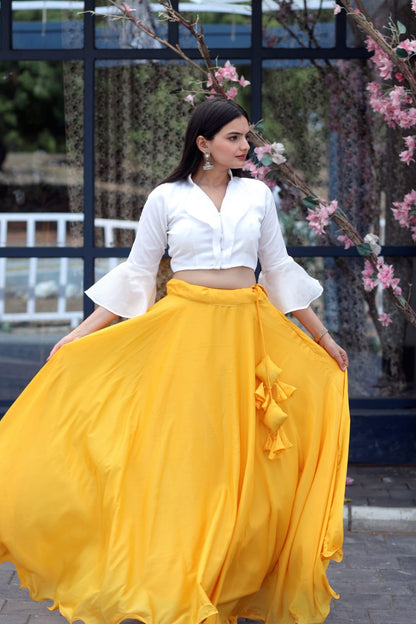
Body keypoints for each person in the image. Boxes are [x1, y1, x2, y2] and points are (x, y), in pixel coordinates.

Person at [0, 98, 350, 624]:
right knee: (189, 462)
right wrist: (80, 333)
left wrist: (322, 337)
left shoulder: (256, 195)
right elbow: (138, 273)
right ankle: (180, 578)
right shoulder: (166, 198)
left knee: (246, 470)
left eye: (246, 137)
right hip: (185, 336)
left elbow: (277, 269)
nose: (245, 146)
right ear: (203, 144)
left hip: (246, 336)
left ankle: (225, 580)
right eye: (234, 137)